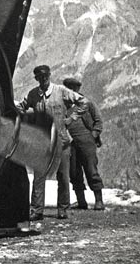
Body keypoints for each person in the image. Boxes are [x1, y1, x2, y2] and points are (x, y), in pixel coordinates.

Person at [16, 65, 88, 221]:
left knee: (63, 177)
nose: (43, 79)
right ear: (36, 79)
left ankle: (63, 209)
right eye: (40, 77)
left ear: (49, 75)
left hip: (61, 141)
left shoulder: (61, 91)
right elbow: (21, 107)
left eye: (45, 76)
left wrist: (72, 118)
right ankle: (36, 210)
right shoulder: (33, 94)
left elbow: (83, 102)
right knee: (39, 177)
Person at [62, 77, 105, 210]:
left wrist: (93, 135)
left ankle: (99, 201)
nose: (71, 90)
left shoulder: (87, 103)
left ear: (77, 89)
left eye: (74, 88)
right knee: (74, 172)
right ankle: (82, 202)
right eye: (69, 88)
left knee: (91, 170)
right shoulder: (63, 106)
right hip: (70, 142)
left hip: (86, 141)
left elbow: (98, 121)